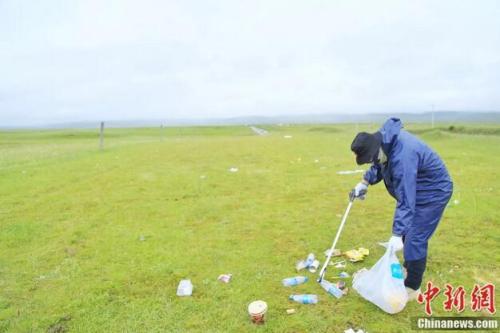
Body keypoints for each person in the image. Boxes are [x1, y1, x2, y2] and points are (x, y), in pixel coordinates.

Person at [350, 118, 453, 300]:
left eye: (370, 159)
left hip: (434, 192)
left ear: (377, 149)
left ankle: (412, 287)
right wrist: (364, 182)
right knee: (408, 233)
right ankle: (408, 267)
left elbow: (406, 197)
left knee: (414, 238)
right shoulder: (385, 143)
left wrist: (397, 234)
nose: (370, 162)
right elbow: (379, 165)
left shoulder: (404, 155)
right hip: (419, 188)